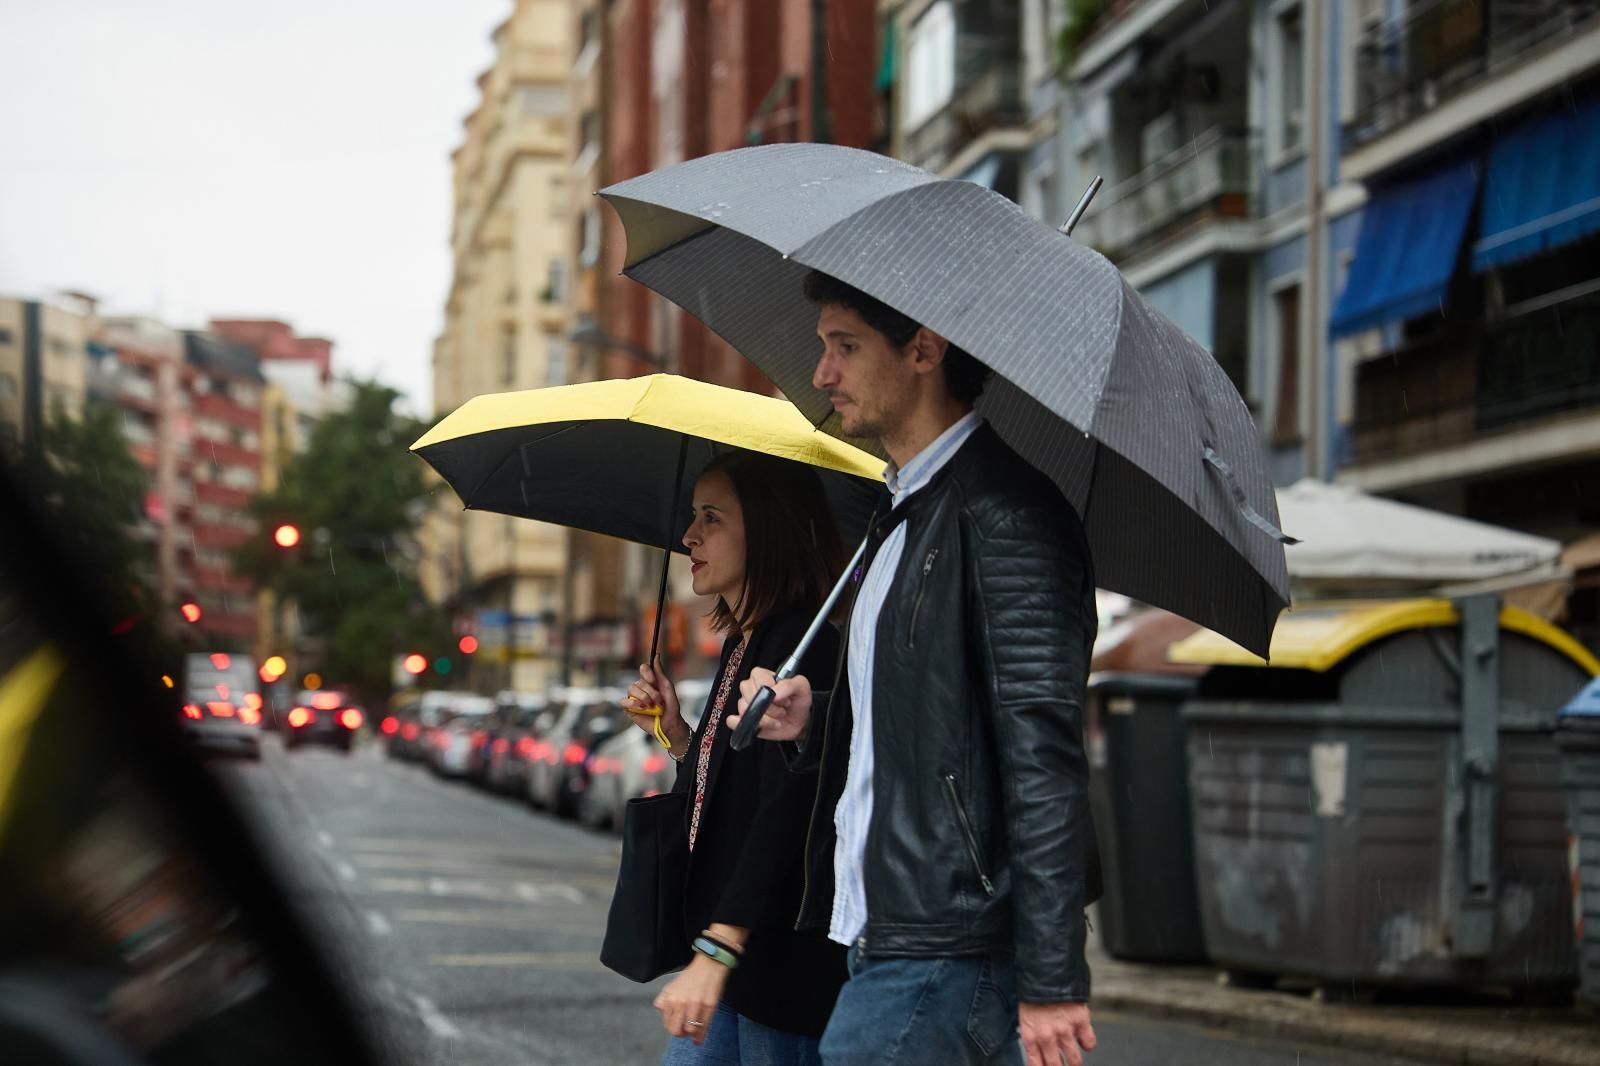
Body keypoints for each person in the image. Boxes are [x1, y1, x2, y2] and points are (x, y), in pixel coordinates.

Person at [728, 271, 1101, 1066]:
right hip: (888, 935)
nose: (823, 374)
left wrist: (1052, 976)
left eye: (846, 347)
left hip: (948, 947)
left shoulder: (1004, 517)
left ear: (924, 349)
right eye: (825, 348)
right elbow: (935, 726)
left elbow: (1044, 758)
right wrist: (816, 714)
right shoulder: (901, 515)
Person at [622, 449, 849, 1066]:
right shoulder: (746, 642)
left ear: (767, 529)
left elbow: (785, 817)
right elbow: (729, 792)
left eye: (712, 517)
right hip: (731, 959)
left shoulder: (802, 647)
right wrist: (674, 732)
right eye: (694, 515)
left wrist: (718, 950)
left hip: (777, 967)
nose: (689, 534)